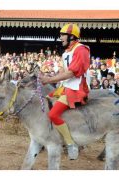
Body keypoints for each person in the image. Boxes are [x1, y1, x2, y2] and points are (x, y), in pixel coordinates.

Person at [40, 24, 90, 160]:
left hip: (76, 89)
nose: (60, 37)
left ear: (72, 37)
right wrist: (48, 76)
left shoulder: (81, 50)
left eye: (63, 35)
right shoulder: (66, 53)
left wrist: (48, 80)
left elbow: (70, 73)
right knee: (45, 98)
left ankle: (70, 144)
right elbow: (63, 72)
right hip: (66, 87)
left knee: (53, 114)